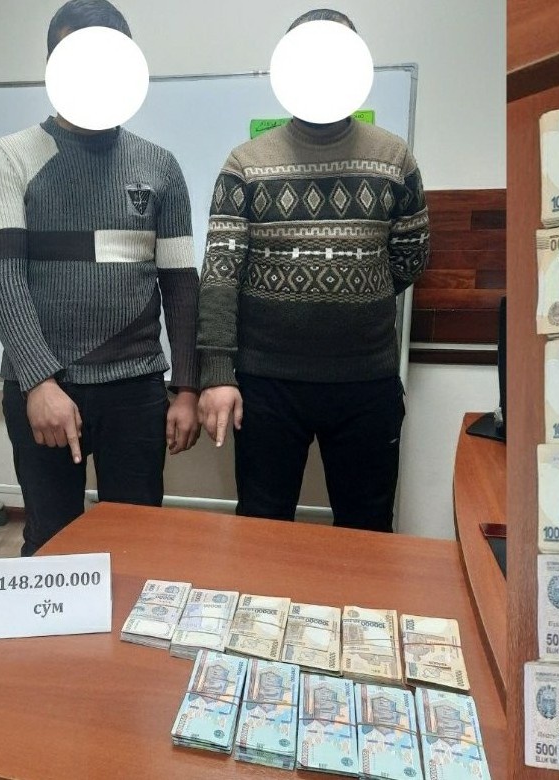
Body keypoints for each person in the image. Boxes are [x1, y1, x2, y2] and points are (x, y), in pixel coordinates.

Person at [197, 9, 429, 533]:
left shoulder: (394, 157)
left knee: (367, 528)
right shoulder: (245, 163)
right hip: (266, 383)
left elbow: (410, 258)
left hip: (366, 381)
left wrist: (352, 292)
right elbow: (221, 275)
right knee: (262, 527)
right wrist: (216, 373)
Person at [0, 0, 201, 556]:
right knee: (50, 543)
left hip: (136, 388)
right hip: (44, 388)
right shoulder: (9, 158)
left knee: (135, 543)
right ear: (52, 66)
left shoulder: (159, 165)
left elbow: (181, 284)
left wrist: (186, 387)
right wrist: (39, 382)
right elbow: (2, 277)